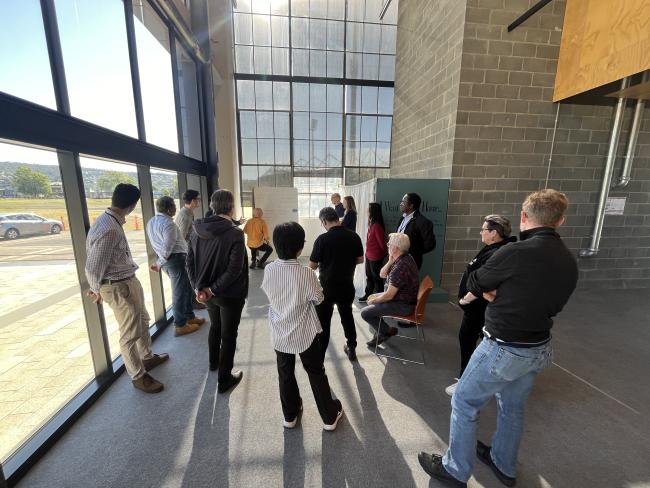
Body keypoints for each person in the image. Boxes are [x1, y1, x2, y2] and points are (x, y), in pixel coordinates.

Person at [418, 189, 578, 488]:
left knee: (464, 401)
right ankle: (503, 464)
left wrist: (497, 294)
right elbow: (553, 304)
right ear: (560, 220)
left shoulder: (514, 252)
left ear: (523, 217)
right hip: (538, 348)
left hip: (503, 347)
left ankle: (454, 470)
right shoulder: (569, 260)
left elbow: (476, 281)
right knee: (512, 407)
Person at [85, 184, 168, 394]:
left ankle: (147, 358)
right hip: (118, 287)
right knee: (129, 334)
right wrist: (96, 289)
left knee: (143, 320)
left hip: (127, 281)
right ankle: (138, 376)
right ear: (132, 206)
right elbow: (93, 266)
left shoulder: (109, 221)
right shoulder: (110, 229)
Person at [261, 222, 344, 431]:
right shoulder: (306, 273)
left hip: (279, 330)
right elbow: (318, 299)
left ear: (276, 244)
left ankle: (290, 415)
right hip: (304, 332)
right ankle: (329, 417)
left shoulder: (269, 269)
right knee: (316, 372)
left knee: (285, 373)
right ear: (300, 247)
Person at [445, 215, 516, 397]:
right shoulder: (492, 248)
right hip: (476, 309)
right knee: (470, 341)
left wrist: (466, 299)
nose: (480, 232)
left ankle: (466, 383)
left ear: (494, 233)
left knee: (471, 342)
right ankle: (469, 378)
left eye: (484, 229)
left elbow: (485, 282)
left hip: (480, 309)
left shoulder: (497, 253)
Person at [186, 189, 248, 394]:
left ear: (212, 207)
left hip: (205, 293)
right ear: (231, 208)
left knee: (215, 327)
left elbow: (190, 263)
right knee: (229, 335)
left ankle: (214, 364)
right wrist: (213, 289)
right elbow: (234, 270)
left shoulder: (196, 229)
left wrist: (198, 287)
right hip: (229, 293)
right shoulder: (235, 233)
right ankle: (224, 380)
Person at [309, 207, 364, 362]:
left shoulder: (322, 239)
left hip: (326, 288)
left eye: (322, 223)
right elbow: (360, 260)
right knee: (347, 316)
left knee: (323, 323)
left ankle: (320, 357)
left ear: (324, 221)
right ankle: (351, 347)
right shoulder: (354, 236)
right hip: (347, 286)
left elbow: (312, 266)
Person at [146, 196, 204, 337]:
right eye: (173, 205)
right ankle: (180, 325)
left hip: (169, 260)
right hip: (175, 260)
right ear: (168, 208)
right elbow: (168, 247)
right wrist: (159, 263)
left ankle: (189, 317)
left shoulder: (151, 222)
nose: (175, 208)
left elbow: (157, 245)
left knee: (185, 289)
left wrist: (160, 261)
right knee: (179, 292)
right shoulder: (168, 224)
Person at [360, 233, 419, 346]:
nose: (387, 246)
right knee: (371, 299)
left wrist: (375, 301)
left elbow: (389, 296)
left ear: (395, 248)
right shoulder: (405, 258)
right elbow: (382, 274)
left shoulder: (401, 266)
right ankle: (384, 330)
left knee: (365, 312)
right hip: (402, 299)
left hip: (402, 304)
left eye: (389, 244)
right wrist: (390, 260)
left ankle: (385, 332)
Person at [175, 189, 206, 310]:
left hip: (188, 249)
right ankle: (193, 302)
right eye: (198, 199)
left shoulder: (188, 212)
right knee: (190, 277)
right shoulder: (185, 215)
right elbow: (182, 237)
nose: (199, 201)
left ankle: (194, 301)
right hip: (184, 251)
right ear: (193, 201)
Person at [396, 193, 435, 269]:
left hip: (410, 262)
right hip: (396, 259)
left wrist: (412, 253)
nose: (401, 204)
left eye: (403, 202)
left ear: (411, 206)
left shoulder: (423, 222)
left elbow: (430, 245)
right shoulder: (402, 218)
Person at [358, 202, 387, 302]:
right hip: (369, 255)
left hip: (375, 257)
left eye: (368, 209)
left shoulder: (377, 226)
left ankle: (380, 298)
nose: (367, 211)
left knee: (377, 278)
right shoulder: (371, 224)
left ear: (373, 211)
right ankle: (368, 294)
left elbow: (382, 244)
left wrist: (383, 255)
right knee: (369, 276)